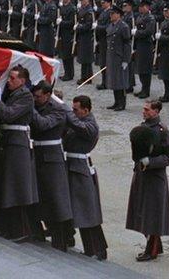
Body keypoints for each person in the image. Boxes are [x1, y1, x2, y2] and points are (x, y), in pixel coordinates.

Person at [0, 66, 38, 242]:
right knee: (5, 186)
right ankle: (9, 227)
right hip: (6, 144)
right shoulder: (12, 95)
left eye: (13, 78)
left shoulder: (26, 96)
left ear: (23, 81)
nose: (9, 81)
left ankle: (21, 230)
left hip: (17, 146)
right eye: (9, 77)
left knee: (15, 188)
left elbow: (8, 115)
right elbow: (0, 121)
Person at [126, 100, 169, 262]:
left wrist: (150, 162)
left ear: (156, 111)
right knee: (141, 210)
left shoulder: (162, 131)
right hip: (141, 175)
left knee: (152, 214)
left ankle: (151, 249)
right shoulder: (143, 127)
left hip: (154, 178)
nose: (144, 112)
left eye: (147, 110)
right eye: (144, 109)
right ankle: (155, 245)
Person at [29, 81, 73, 251]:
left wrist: (29, 107)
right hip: (38, 155)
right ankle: (40, 232)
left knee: (56, 200)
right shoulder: (39, 105)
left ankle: (62, 238)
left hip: (52, 157)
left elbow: (42, 124)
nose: (35, 99)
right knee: (40, 197)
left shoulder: (58, 109)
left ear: (48, 95)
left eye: (38, 96)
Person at [63, 95, 107, 260]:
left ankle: (97, 249)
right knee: (79, 211)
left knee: (87, 212)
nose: (73, 113)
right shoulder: (78, 122)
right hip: (71, 166)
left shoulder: (90, 125)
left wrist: (65, 110)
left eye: (76, 110)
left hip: (80, 169)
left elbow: (78, 127)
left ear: (86, 110)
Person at [105, 5, 131, 111]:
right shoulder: (111, 25)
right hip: (112, 57)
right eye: (110, 13)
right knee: (114, 80)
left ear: (118, 15)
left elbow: (127, 44)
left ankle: (122, 103)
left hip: (120, 57)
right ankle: (116, 101)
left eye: (113, 14)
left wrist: (126, 60)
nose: (111, 15)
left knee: (121, 81)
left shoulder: (123, 27)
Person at [132, 0, 156, 99]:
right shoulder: (140, 17)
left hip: (146, 45)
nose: (140, 9)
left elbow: (148, 32)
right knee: (141, 69)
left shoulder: (150, 18)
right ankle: (143, 88)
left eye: (142, 7)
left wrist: (137, 33)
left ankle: (146, 90)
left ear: (147, 7)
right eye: (140, 7)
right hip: (139, 45)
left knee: (146, 69)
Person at [155, 4, 169, 102]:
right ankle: (168, 93)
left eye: (168, 11)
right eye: (164, 11)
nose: (166, 13)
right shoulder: (164, 22)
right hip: (164, 51)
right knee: (165, 74)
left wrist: (161, 37)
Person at [75, 0, 96, 85]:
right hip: (82, 36)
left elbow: (88, 25)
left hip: (87, 36)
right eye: (80, 0)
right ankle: (85, 77)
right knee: (83, 57)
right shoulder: (82, 9)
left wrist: (78, 27)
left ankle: (87, 77)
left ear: (87, 0)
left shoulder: (89, 11)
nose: (81, 1)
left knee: (86, 58)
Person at [57, 0, 77, 81]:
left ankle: (70, 74)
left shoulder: (72, 8)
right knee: (64, 55)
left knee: (68, 55)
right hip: (62, 33)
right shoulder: (61, 8)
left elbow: (72, 22)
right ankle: (66, 72)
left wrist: (62, 23)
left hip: (68, 34)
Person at [95, 0, 113, 90]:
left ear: (109, 3)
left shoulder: (110, 13)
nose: (102, 4)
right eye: (101, 3)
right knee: (102, 62)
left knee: (106, 62)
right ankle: (104, 81)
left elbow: (108, 27)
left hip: (107, 41)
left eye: (104, 3)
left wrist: (98, 27)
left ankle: (107, 82)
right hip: (102, 40)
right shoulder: (103, 12)